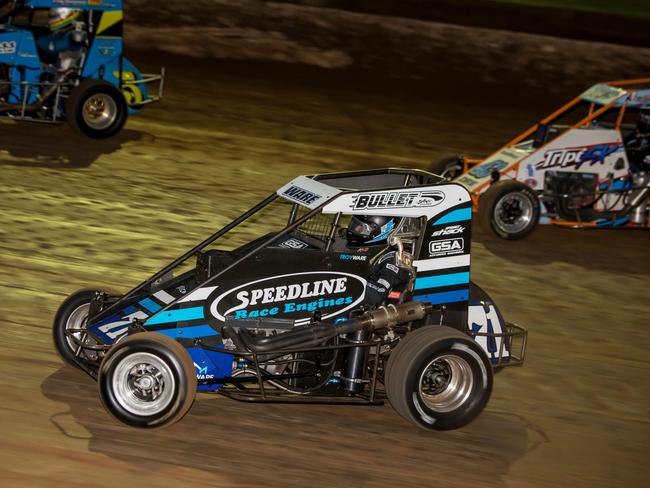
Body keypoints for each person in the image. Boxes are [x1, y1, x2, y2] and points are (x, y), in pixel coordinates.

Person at [345, 215, 412, 306]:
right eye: (354, 225)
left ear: (380, 231)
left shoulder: (392, 260)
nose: (355, 229)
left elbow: (377, 294)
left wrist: (345, 281)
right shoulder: (363, 250)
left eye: (361, 228)